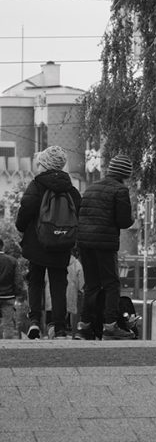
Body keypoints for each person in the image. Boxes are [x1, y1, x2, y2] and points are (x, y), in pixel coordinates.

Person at [16, 145, 82, 340]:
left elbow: (26, 208)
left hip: (37, 242)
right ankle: (59, 327)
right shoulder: (71, 189)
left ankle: (35, 321)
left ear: (44, 164)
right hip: (61, 243)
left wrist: (21, 227)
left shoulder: (36, 185)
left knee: (35, 281)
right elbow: (79, 212)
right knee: (59, 284)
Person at [75, 154, 136, 340]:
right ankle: (110, 326)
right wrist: (132, 218)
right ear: (125, 174)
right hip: (104, 243)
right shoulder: (120, 190)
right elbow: (124, 221)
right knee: (111, 284)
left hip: (84, 243)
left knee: (91, 284)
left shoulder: (91, 188)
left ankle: (83, 326)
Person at [0, 239, 23, 339]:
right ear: (2, 246)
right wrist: (18, 293)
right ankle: (7, 345)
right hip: (8, 296)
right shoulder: (12, 260)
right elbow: (18, 280)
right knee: (8, 322)